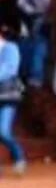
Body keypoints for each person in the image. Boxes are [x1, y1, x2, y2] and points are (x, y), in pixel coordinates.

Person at [0, 24, 26, 176]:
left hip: (8, 96)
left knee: (3, 131)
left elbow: (9, 70)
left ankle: (19, 158)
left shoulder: (10, 48)